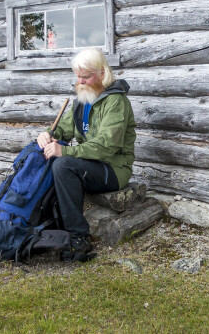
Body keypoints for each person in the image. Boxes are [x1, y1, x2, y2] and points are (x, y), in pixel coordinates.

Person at [36, 48, 136, 262]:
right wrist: (48, 135)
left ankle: (78, 238)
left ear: (102, 73)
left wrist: (65, 151)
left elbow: (106, 146)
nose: (80, 81)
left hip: (113, 169)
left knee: (63, 165)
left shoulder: (116, 102)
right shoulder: (82, 99)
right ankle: (47, 226)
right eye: (77, 76)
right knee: (51, 160)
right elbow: (64, 129)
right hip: (88, 165)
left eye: (86, 76)